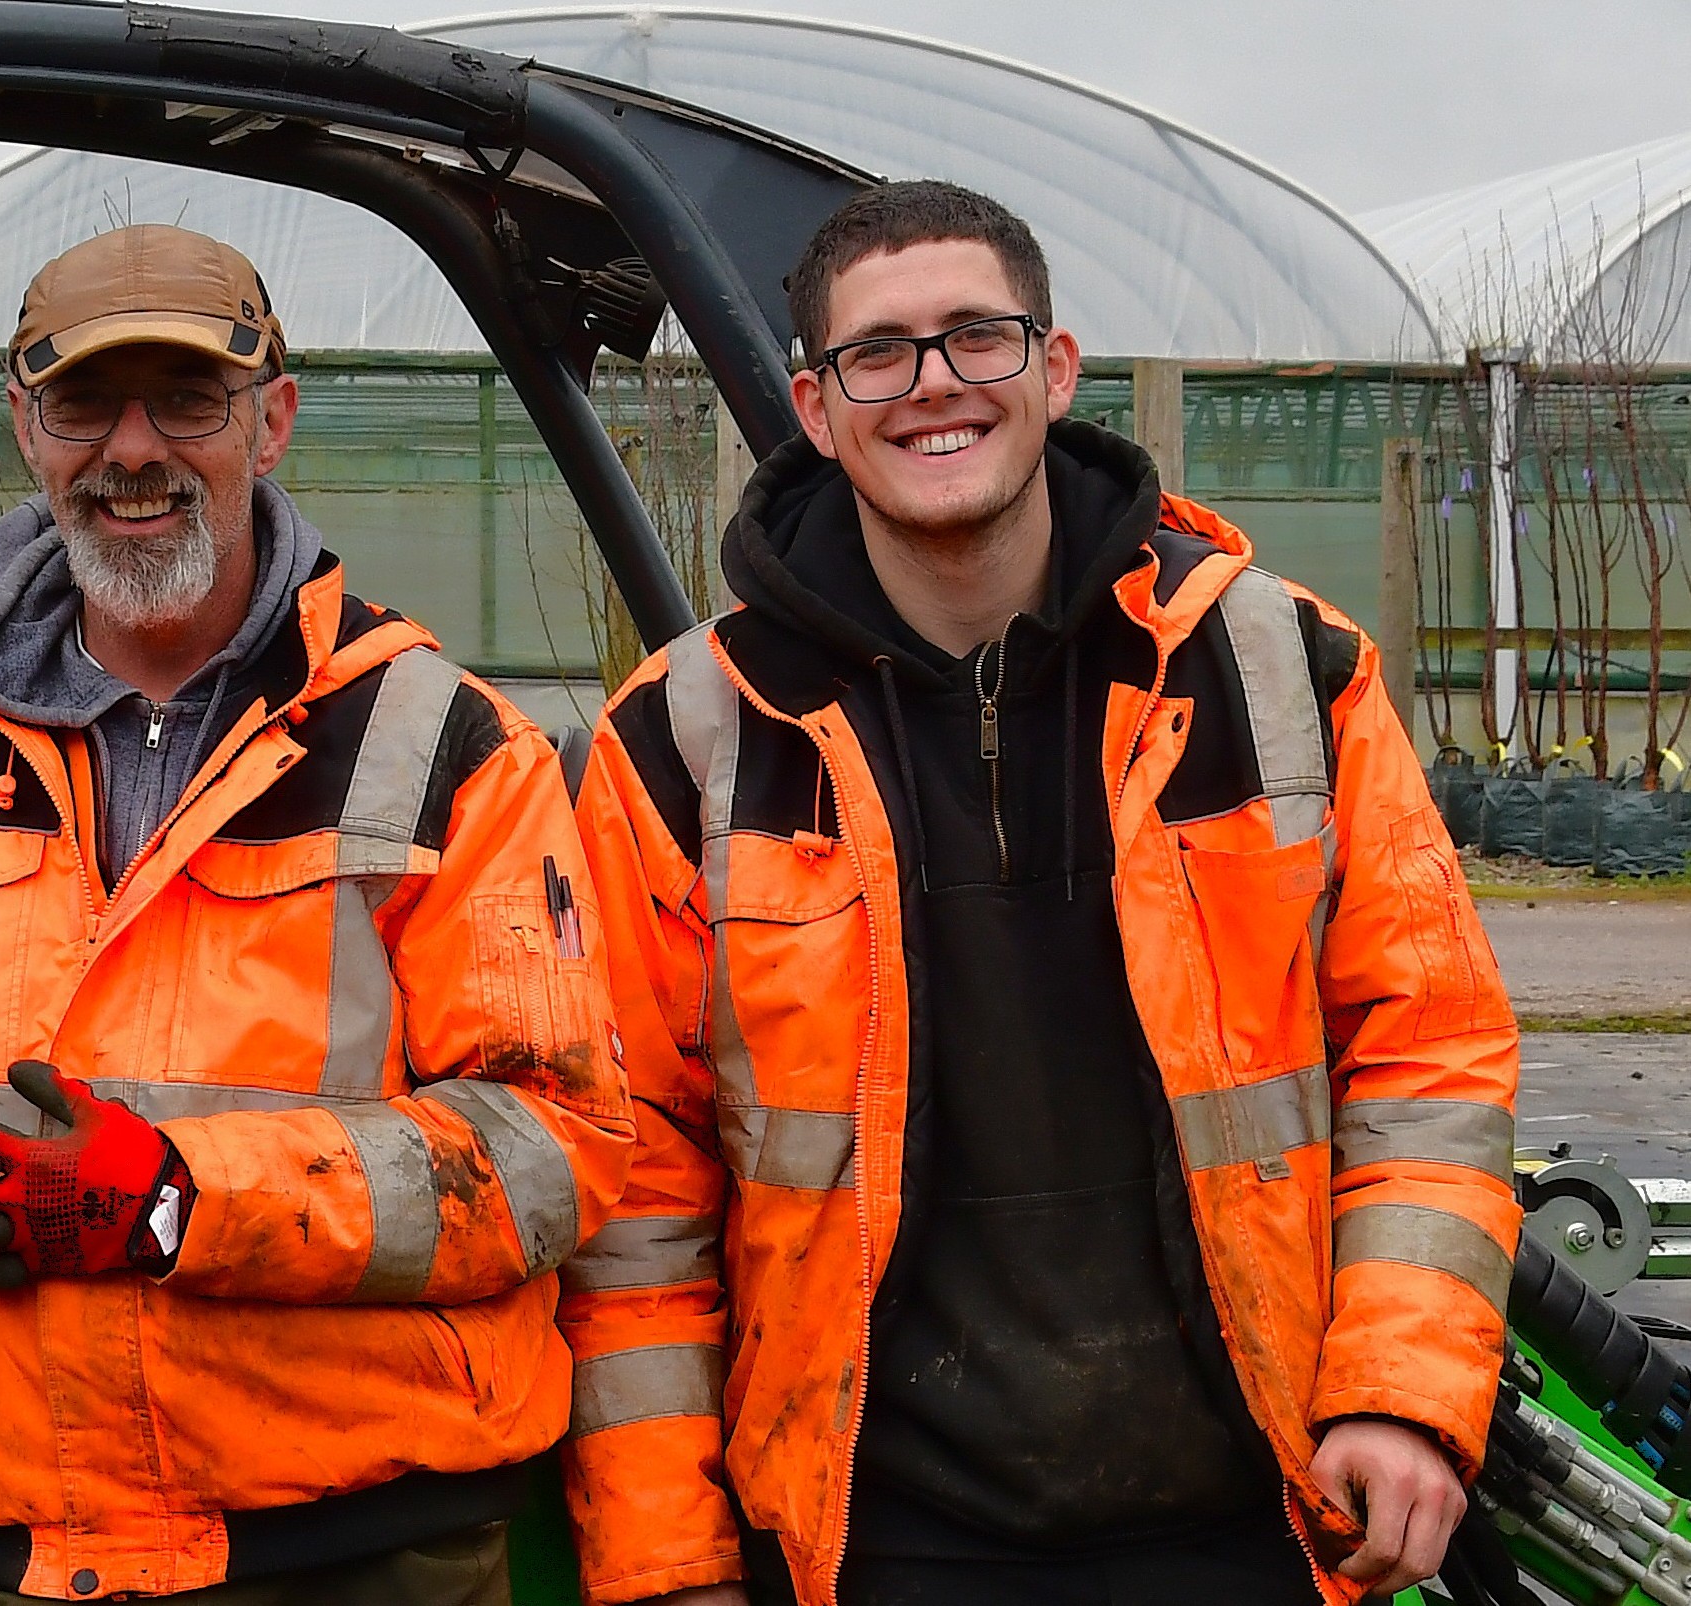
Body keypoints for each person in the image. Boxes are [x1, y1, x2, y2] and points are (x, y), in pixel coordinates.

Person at [559, 182, 1520, 1606]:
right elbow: (635, 1186)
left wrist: (1400, 1390)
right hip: (875, 1540)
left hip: (1247, 1517)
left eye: (975, 337)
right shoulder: (689, 734)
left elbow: (1425, 1056)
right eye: (877, 353)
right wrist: (665, 1561)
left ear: (1053, 369)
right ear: (815, 408)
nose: (932, 383)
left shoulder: (1275, 673)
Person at [0, 223, 633, 1606]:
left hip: (360, 1542)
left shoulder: (444, 743)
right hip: (6, 1535)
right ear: (27, 430)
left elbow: (550, 1146)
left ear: (272, 420)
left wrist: (174, 1201)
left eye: (187, 399)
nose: (132, 448)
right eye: (85, 402)